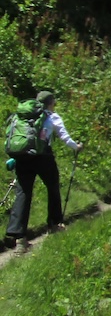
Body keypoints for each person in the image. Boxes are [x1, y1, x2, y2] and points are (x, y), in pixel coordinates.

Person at [5, 91, 82, 254]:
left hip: (23, 156)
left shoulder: (21, 116)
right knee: (53, 186)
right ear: (50, 103)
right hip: (43, 156)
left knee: (23, 193)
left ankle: (19, 238)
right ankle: (54, 224)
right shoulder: (51, 116)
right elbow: (65, 137)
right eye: (53, 103)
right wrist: (77, 147)